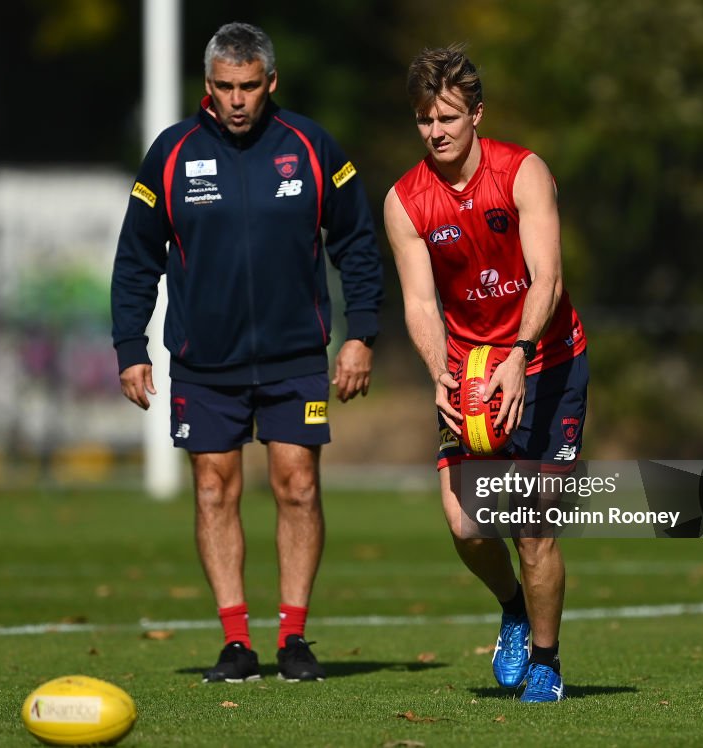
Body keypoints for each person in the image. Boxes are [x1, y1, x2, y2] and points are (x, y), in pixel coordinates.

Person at [111, 22, 383, 683]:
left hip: (294, 357)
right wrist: (131, 345)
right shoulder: (171, 154)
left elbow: (358, 243)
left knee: (297, 486)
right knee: (212, 491)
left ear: (271, 84)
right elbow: (137, 257)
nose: (237, 100)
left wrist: (360, 335)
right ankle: (236, 642)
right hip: (205, 361)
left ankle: (294, 638)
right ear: (207, 87)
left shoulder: (312, 147)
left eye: (250, 87)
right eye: (225, 88)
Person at [384, 45, 588, 702]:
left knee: (533, 529)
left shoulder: (523, 172)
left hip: (547, 362)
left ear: (476, 113)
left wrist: (519, 356)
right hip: (468, 374)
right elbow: (419, 303)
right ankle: (513, 610)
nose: (436, 132)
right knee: (466, 525)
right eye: (423, 120)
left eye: (447, 117)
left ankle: (548, 663)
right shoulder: (405, 201)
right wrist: (442, 375)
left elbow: (547, 277)